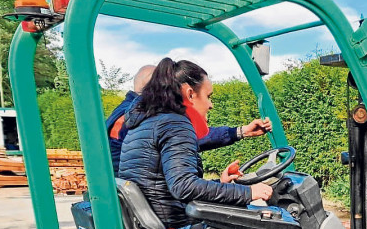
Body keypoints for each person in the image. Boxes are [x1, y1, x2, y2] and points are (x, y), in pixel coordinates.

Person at [118, 57, 335, 229]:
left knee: (261, 219)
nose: (210, 104)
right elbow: (183, 186)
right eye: (208, 96)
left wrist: (222, 185)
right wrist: (249, 192)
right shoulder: (176, 123)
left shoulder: (144, 123)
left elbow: (165, 182)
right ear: (189, 93)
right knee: (276, 222)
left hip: (157, 227)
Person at [106, 64, 274, 173]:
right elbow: (183, 184)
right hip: (144, 210)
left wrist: (240, 132)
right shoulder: (137, 118)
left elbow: (186, 140)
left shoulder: (134, 114)